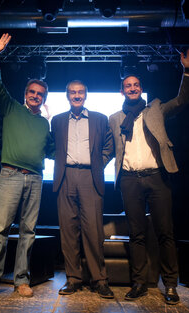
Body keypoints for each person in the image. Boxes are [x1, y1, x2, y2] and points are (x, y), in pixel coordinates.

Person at [108, 48, 189, 304]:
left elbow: (182, 100)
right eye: (128, 85)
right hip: (128, 179)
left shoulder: (156, 108)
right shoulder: (114, 118)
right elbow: (108, 149)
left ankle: (170, 284)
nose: (133, 88)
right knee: (137, 235)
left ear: (141, 88)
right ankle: (139, 283)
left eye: (136, 84)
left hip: (157, 177)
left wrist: (188, 72)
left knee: (165, 232)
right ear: (122, 90)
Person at [0, 33, 53, 300]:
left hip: (35, 179)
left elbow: (52, 150)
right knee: (0, 229)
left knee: (28, 232)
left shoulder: (44, 123)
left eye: (40, 94)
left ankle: (21, 280)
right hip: (10, 175)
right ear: (25, 94)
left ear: (44, 98)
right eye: (32, 92)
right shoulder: (11, 108)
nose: (35, 96)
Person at [51, 80, 114, 298]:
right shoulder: (57, 121)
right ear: (67, 95)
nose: (76, 96)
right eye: (72, 92)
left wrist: (99, 163)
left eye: (80, 92)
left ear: (85, 95)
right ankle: (73, 279)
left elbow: (109, 145)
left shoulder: (99, 118)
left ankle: (100, 280)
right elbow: (52, 146)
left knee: (93, 231)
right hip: (66, 176)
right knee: (68, 231)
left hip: (90, 176)